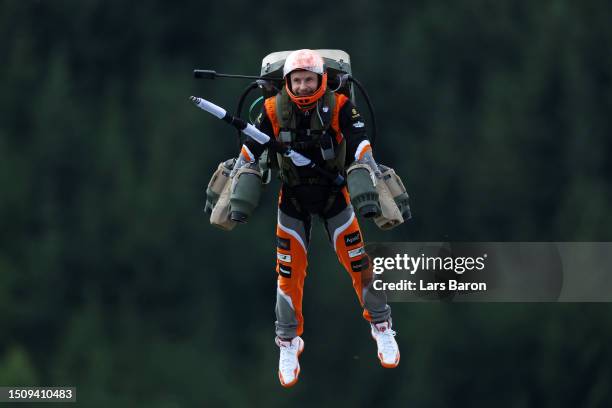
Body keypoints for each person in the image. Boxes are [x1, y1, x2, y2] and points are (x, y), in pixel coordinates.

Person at [231, 49, 399, 387]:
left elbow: (359, 141)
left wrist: (369, 166)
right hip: (293, 198)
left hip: (335, 195)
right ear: (288, 82)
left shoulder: (339, 106)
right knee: (288, 275)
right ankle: (288, 342)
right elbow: (251, 147)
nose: (304, 86)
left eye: (309, 79)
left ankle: (382, 327)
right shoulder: (271, 109)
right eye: (297, 80)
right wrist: (238, 170)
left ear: (322, 80)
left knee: (359, 262)